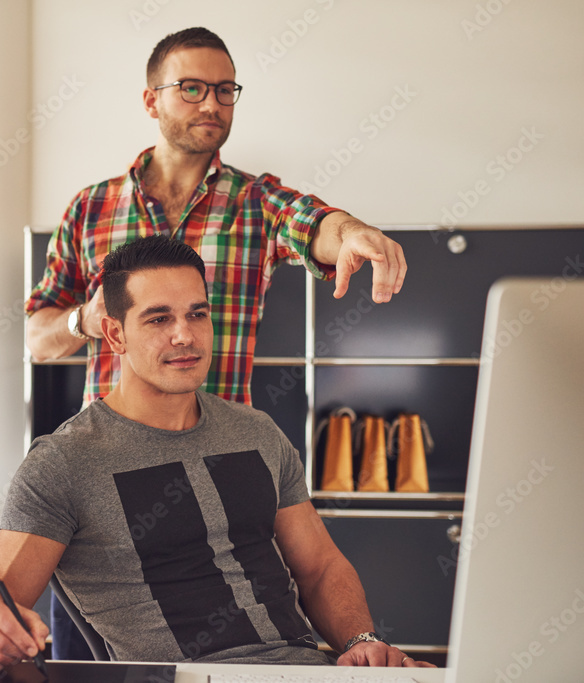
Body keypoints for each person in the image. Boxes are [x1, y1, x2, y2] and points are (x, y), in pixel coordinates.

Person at [25, 26, 406, 657]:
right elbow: (38, 339)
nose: (212, 104)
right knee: (93, 661)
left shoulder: (256, 202)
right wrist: (87, 320)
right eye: (193, 88)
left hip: (223, 468)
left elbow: (317, 224)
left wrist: (355, 232)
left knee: (246, 640)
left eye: (225, 90)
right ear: (151, 100)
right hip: (110, 482)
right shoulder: (89, 210)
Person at [0, 236, 433, 669]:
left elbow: (319, 567)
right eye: (159, 318)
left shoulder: (256, 432)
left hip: (305, 671)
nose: (184, 335)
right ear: (116, 334)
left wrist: (362, 643)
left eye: (197, 314)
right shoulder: (63, 463)